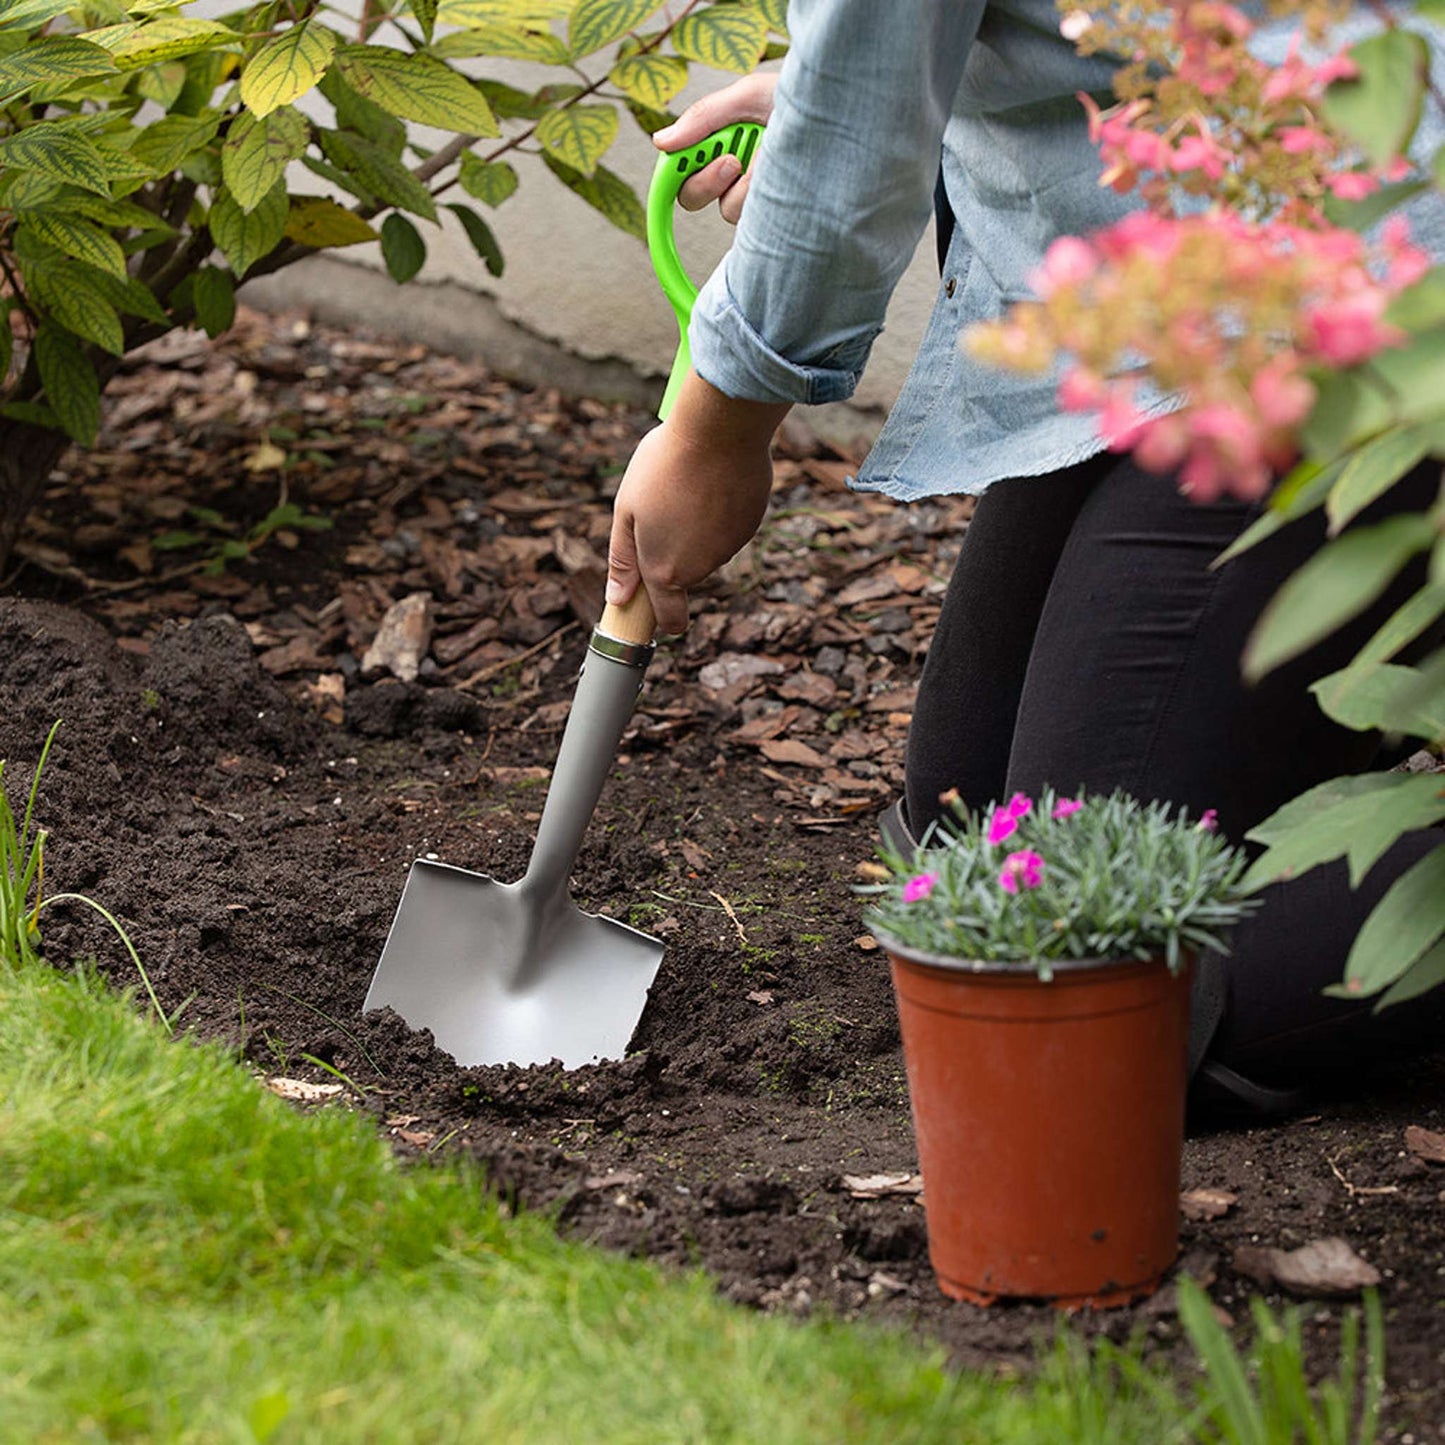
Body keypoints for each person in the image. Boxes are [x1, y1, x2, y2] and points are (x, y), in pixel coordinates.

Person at [602, 1, 1445, 1115]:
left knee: (1083, 973)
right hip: (1176, 284)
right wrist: (860, 90)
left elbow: (859, 125)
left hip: (1364, 301)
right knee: (965, 846)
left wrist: (716, 431)